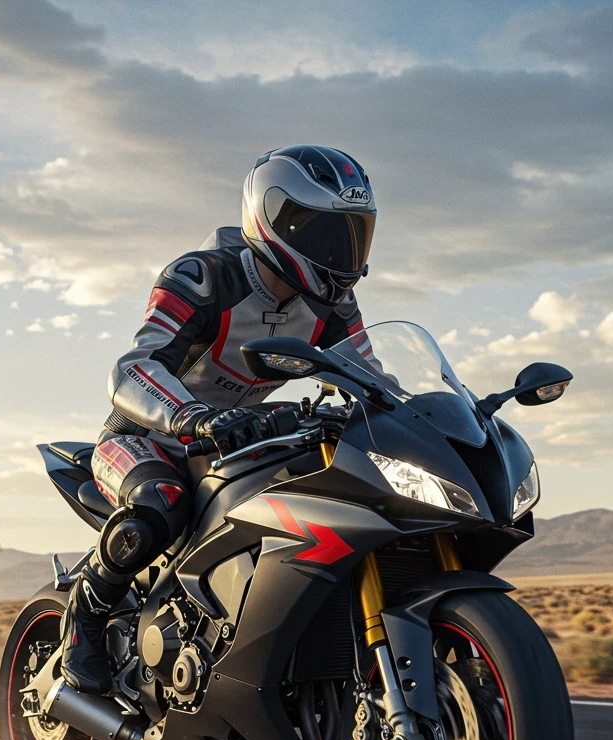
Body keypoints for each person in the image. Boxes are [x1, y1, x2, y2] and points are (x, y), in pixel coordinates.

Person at [61, 144, 378, 694]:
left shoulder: (333, 307)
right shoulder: (204, 277)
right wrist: (190, 414)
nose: (344, 253)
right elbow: (133, 368)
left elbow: (374, 381)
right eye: (331, 236)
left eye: (355, 234)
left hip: (234, 445)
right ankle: (82, 621)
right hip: (144, 436)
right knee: (162, 500)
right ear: (279, 223)